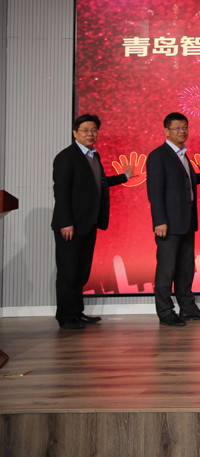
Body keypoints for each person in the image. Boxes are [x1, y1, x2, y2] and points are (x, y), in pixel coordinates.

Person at [50, 114, 133, 330]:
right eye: (85, 130)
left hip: (89, 224)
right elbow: (61, 193)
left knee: (81, 272)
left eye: (94, 130)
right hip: (71, 226)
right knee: (68, 273)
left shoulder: (93, 155)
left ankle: (77, 312)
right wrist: (66, 222)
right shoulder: (66, 157)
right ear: (75, 133)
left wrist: (124, 177)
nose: (90, 134)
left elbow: (99, 184)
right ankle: (66, 317)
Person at [146, 112, 200, 326]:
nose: (182, 131)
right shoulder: (158, 155)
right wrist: (159, 220)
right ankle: (165, 311)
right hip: (168, 223)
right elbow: (155, 191)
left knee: (185, 267)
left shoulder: (183, 155)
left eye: (185, 127)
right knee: (167, 269)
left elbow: (183, 182)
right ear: (166, 131)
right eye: (177, 128)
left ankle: (187, 308)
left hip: (186, 221)